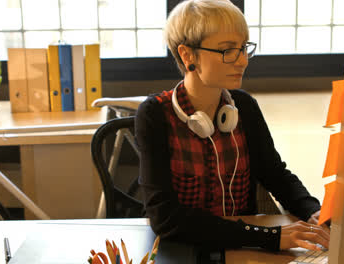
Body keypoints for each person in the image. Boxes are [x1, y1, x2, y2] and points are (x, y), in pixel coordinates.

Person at [135, 0, 330, 252]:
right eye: (228, 51)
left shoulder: (243, 106)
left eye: (243, 48)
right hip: (181, 248)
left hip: (241, 247)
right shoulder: (155, 114)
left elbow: (275, 174)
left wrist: (313, 210)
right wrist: (267, 236)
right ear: (187, 55)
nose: (242, 62)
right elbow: (165, 217)